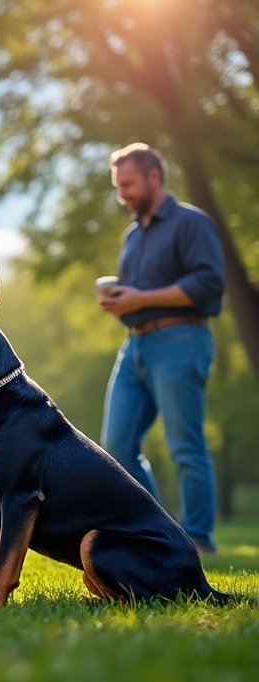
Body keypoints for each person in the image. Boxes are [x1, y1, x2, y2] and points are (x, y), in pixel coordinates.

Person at [99, 143, 225, 554]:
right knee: (116, 447)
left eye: (129, 185)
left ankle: (199, 539)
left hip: (180, 340)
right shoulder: (133, 234)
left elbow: (209, 282)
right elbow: (137, 294)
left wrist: (141, 298)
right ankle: (159, 530)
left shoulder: (191, 223)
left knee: (185, 445)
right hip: (134, 346)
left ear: (154, 177)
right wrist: (122, 303)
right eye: (119, 188)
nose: (124, 195)